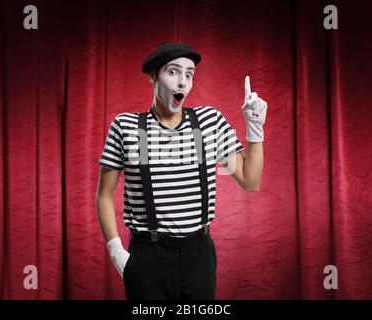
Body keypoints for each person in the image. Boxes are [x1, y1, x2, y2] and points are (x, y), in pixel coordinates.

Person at [95, 42, 267, 300]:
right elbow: (104, 196)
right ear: (153, 75)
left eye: (189, 74)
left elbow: (250, 181)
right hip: (147, 256)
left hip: (199, 255)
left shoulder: (209, 123)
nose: (183, 82)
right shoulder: (126, 126)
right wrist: (116, 251)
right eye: (173, 72)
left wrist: (255, 126)